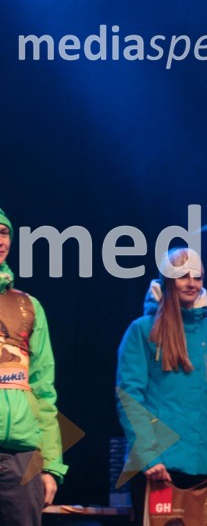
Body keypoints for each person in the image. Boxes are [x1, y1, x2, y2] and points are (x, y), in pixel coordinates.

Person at [116, 247, 207, 524]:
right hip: (158, 469)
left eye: (198, 277)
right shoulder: (143, 329)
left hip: (200, 467)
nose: (192, 283)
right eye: (183, 276)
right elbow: (129, 396)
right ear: (168, 280)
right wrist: (148, 456)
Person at [0, 208, 67, 525]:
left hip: (23, 457)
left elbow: (43, 390)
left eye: (3, 232)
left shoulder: (28, 305)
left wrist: (51, 465)